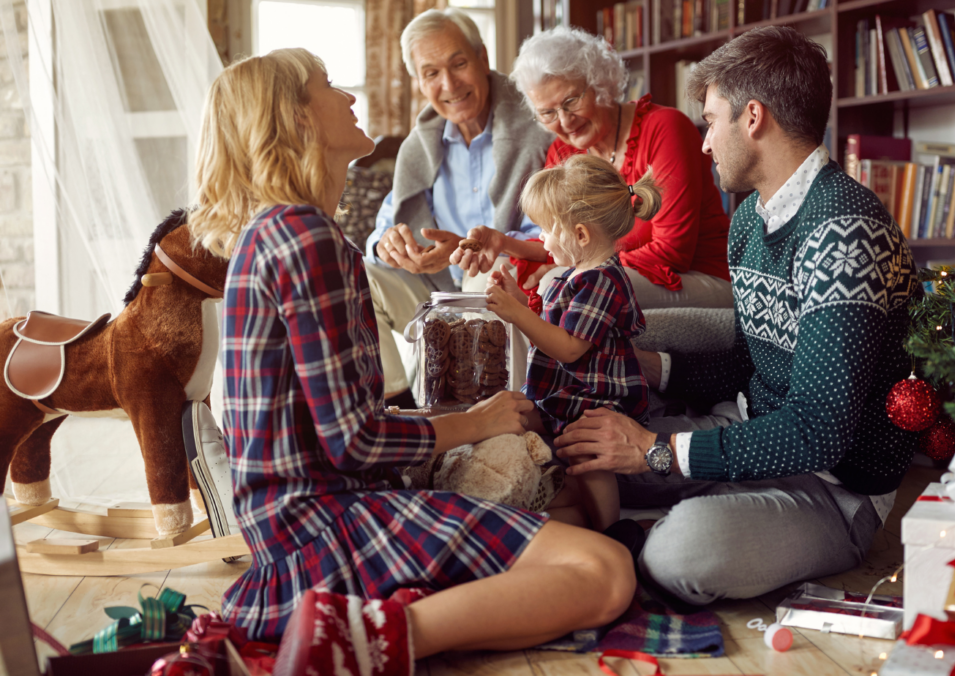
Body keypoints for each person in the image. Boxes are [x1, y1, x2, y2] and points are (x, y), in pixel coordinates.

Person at [189, 48, 634, 663]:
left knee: (565, 527)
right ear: (295, 121)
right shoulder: (306, 236)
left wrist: (476, 419)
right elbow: (355, 442)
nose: (348, 96)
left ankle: (377, 623)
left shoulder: (275, 231)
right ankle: (360, 640)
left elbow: (340, 433)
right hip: (321, 533)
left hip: (295, 527)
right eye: (328, 85)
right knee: (607, 571)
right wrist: (479, 422)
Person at [552, 27, 922, 608]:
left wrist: (654, 449)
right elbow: (752, 356)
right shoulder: (750, 217)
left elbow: (819, 432)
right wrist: (653, 367)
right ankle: (653, 527)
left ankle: (654, 537)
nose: (703, 144)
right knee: (580, 460)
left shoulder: (845, 230)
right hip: (747, 428)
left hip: (835, 489)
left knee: (681, 552)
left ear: (753, 118)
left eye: (710, 121)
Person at [453, 25, 732, 310]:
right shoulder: (563, 152)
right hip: (615, 272)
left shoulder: (665, 129)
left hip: (695, 278)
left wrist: (568, 272)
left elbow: (671, 253)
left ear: (599, 83)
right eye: (548, 112)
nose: (564, 120)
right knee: (488, 278)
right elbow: (561, 242)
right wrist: (503, 243)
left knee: (560, 286)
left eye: (571, 101)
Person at [363, 9, 553, 399]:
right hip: (435, 294)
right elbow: (384, 227)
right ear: (419, 82)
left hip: (506, 284)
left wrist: (469, 250)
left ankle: (492, 413)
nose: (448, 84)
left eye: (459, 63)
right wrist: (389, 245)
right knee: (359, 276)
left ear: (483, 58)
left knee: (489, 272)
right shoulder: (421, 144)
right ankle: (399, 409)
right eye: (431, 73)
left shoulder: (537, 126)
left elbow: (556, 230)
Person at [484, 155, 661, 532]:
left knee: (588, 455)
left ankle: (612, 531)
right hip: (564, 392)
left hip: (594, 398)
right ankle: (548, 500)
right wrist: (519, 301)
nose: (542, 240)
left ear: (580, 235)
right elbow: (553, 323)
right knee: (511, 417)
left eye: (546, 229)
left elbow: (568, 347)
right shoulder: (574, 275)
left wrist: (519, 316)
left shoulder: (602, 279)